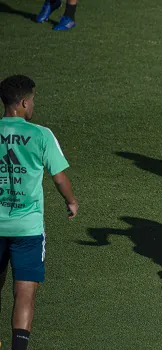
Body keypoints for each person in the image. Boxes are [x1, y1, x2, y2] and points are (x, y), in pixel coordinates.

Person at [0, 75, 78, 350]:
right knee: (24, 293)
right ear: (22, 103)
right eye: (32, 101)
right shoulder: (41, 135)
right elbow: (59, 178)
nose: (33, 106)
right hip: (27, 229)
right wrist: (71, 201)